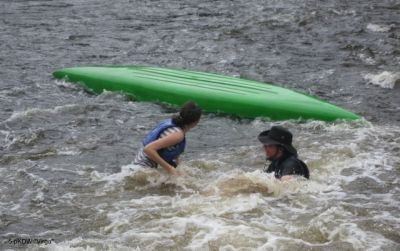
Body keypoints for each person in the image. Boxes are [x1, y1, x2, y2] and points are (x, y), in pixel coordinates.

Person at [133, 101, 202, 176]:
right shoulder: (178, 135)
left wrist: (180, 168)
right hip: (142, 168)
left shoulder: (172, 123)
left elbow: (172, 150)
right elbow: (148, 149)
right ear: (195, 122)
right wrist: (170, 169)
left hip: (139, 165)